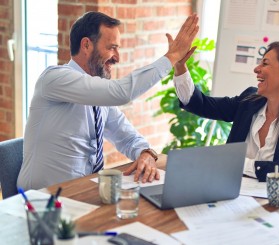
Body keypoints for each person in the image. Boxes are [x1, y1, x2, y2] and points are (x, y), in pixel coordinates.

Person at [17, 11, 199, 190]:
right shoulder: (55, 79)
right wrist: (172, 56)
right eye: (112, 47)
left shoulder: (98, 96)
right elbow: (122, 92)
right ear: (86, 45)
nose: (117, 58)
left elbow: (127, 137)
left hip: (83, 194)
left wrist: (146, 153)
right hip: (41, 201)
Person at [172, 41, 279, 186]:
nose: (256, 69)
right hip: (232, 194)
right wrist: (180, 66)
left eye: (265, 63)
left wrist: (235, 163)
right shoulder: (249, 102)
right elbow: (200, 104)